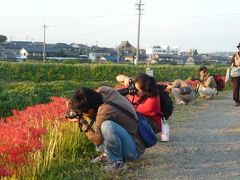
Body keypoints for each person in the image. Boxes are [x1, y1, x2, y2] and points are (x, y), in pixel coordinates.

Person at [67, 86, 145, 172]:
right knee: (102, 127)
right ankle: (107, 155)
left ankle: (116, 162)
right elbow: (87, 98)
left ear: (91, 110)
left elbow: (97, 141)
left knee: (107, 126)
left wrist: (82, 121)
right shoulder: (104, 91)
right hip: (129, 138)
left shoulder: (104, 111)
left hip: (134, 149)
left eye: (84, 112)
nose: (83, 114)